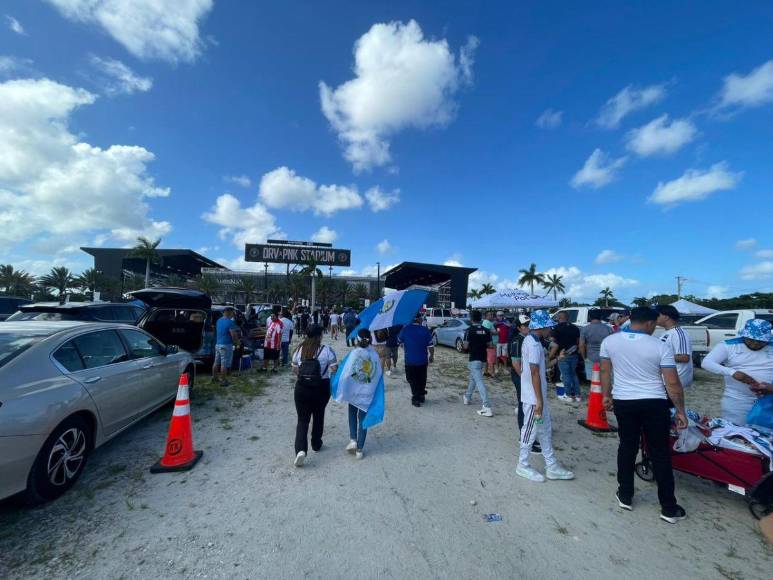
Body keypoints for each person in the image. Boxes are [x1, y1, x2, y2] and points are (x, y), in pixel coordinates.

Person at [600, 307, 688, 523]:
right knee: (660, 452)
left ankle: (625, 495)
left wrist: (606, 395)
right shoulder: (660, 346)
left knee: (627, 446)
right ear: (649, 323)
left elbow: (605, 371)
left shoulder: (609, 341)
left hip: (624, 401)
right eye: (655, 324)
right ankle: (668, 507)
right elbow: (672, 382)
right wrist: (680, 410)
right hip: (654, 402)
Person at [516, 310, 575, 482]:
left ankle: (551, 465)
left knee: (544, 429)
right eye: (549, 326)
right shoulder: (534, 344)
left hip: (537, 396)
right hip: (533, 398)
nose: (551, 329)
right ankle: (522, 464)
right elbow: (534, 372)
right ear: (542, 326)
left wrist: (558, 359)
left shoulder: (533, 341)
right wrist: (539, 401)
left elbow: (541, 367)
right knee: (529, 431)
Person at [701, 319, 773, 425]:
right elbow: (707, 363)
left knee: (765, 431)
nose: (755, 343)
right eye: (751, 339)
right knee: (737, 429)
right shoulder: (729, 346)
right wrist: (733, 373)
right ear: (744, 335)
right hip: (737, 399)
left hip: (769, 399)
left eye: (761, 341)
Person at [331, 328, 385, 460]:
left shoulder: (355, 353)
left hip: (353, 392)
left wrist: (341, 386)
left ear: (357, 339)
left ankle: (353, 440)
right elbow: (378, 374)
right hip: (367, 393)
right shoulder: (374, 355)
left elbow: (346, 372)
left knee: (352, 413)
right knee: (363, 419)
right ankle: (360, 450)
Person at [291, 324, 338, 467]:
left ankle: (300, 450)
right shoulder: (327, 350)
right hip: (321, 387)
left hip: (302, 388)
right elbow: (334, 368)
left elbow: (294, 369)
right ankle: (316, 443)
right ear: (320, 336)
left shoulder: (299, 349)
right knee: (318, 415)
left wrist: (305, 375)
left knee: (302, 420)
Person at [509, 315, 540, 452]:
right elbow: (516, 363)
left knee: (530, 405)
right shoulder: (517, 340)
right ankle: (525, 437)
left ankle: (530, 434)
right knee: (524, 405)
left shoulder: (531, 339)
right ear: (519, 328)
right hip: (521, 377)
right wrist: (525, 379)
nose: (528, 327)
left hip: (529, 378)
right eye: (525, 325)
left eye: (529, 324)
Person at [398, 315, 435, 407]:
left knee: (411, 379)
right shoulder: (425, 330)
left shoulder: (405, 330)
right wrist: (431, 356)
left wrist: (404, 344)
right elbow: (431, 346)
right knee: (422, 378)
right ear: (420, 319)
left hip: (410, 361)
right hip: (423, 360)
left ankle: (416, 397)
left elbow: (398, 341)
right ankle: (421, 394)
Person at [655, 305, 694, 393]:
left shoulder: (679, 333)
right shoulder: (667, 332)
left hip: (675, 381)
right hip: (666, 380)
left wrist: (658, 356)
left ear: (666, 317)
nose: (654, 317)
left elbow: (684, 357)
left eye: (657, 315)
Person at [463, 310, 494, 417]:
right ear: (481, 318)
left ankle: (487, 406)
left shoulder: (469, 330)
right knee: (473, 379)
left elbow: (465, 346)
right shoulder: (486, 330)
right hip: (483, 359)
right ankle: (467, 397)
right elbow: (490, 345)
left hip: (474, 358)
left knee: (479, 381)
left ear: (471, 318)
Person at [551, 311, 581, 403]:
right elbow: (578, 341)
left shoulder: (556, 328)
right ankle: (577, 395)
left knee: (566, 375)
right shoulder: (575, 327)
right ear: (567, 318)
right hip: (574, 354)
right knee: (573, 374)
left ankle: (568, 395)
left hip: (562, 354)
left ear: (559, 318)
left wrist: (551, 354)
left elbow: (553, 341)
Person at [580, 309, 613, 381]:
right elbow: (613, 345)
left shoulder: (585, 329)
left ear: (589, 317)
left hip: (590, 357)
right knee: (606, 379)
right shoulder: (609, 328)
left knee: (594, 381)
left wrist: (584, 358)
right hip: (606, 357)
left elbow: (581, 345)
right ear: (601, 317)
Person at [212, 306, 241, 386]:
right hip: (226, 345)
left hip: (218, 344)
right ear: (229, 312)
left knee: (216, 362)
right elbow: (233, 335)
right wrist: (237, 343)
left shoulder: (218, 320)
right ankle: (223, 380)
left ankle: (214, 378)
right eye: (232, 313)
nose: (233, 314)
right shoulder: (230, 322)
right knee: (224, 364)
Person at [482, 311, 497, 377]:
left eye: (492, 314)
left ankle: (486, 371)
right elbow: (487, 332)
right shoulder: (487, 322)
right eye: (490, 315)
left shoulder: (487, 322)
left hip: (490, 343)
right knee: (491, 358)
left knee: (488, 358)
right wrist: (496, 333)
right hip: (491, 343)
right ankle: (492, 373)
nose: (492, 316)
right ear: (486, 316)